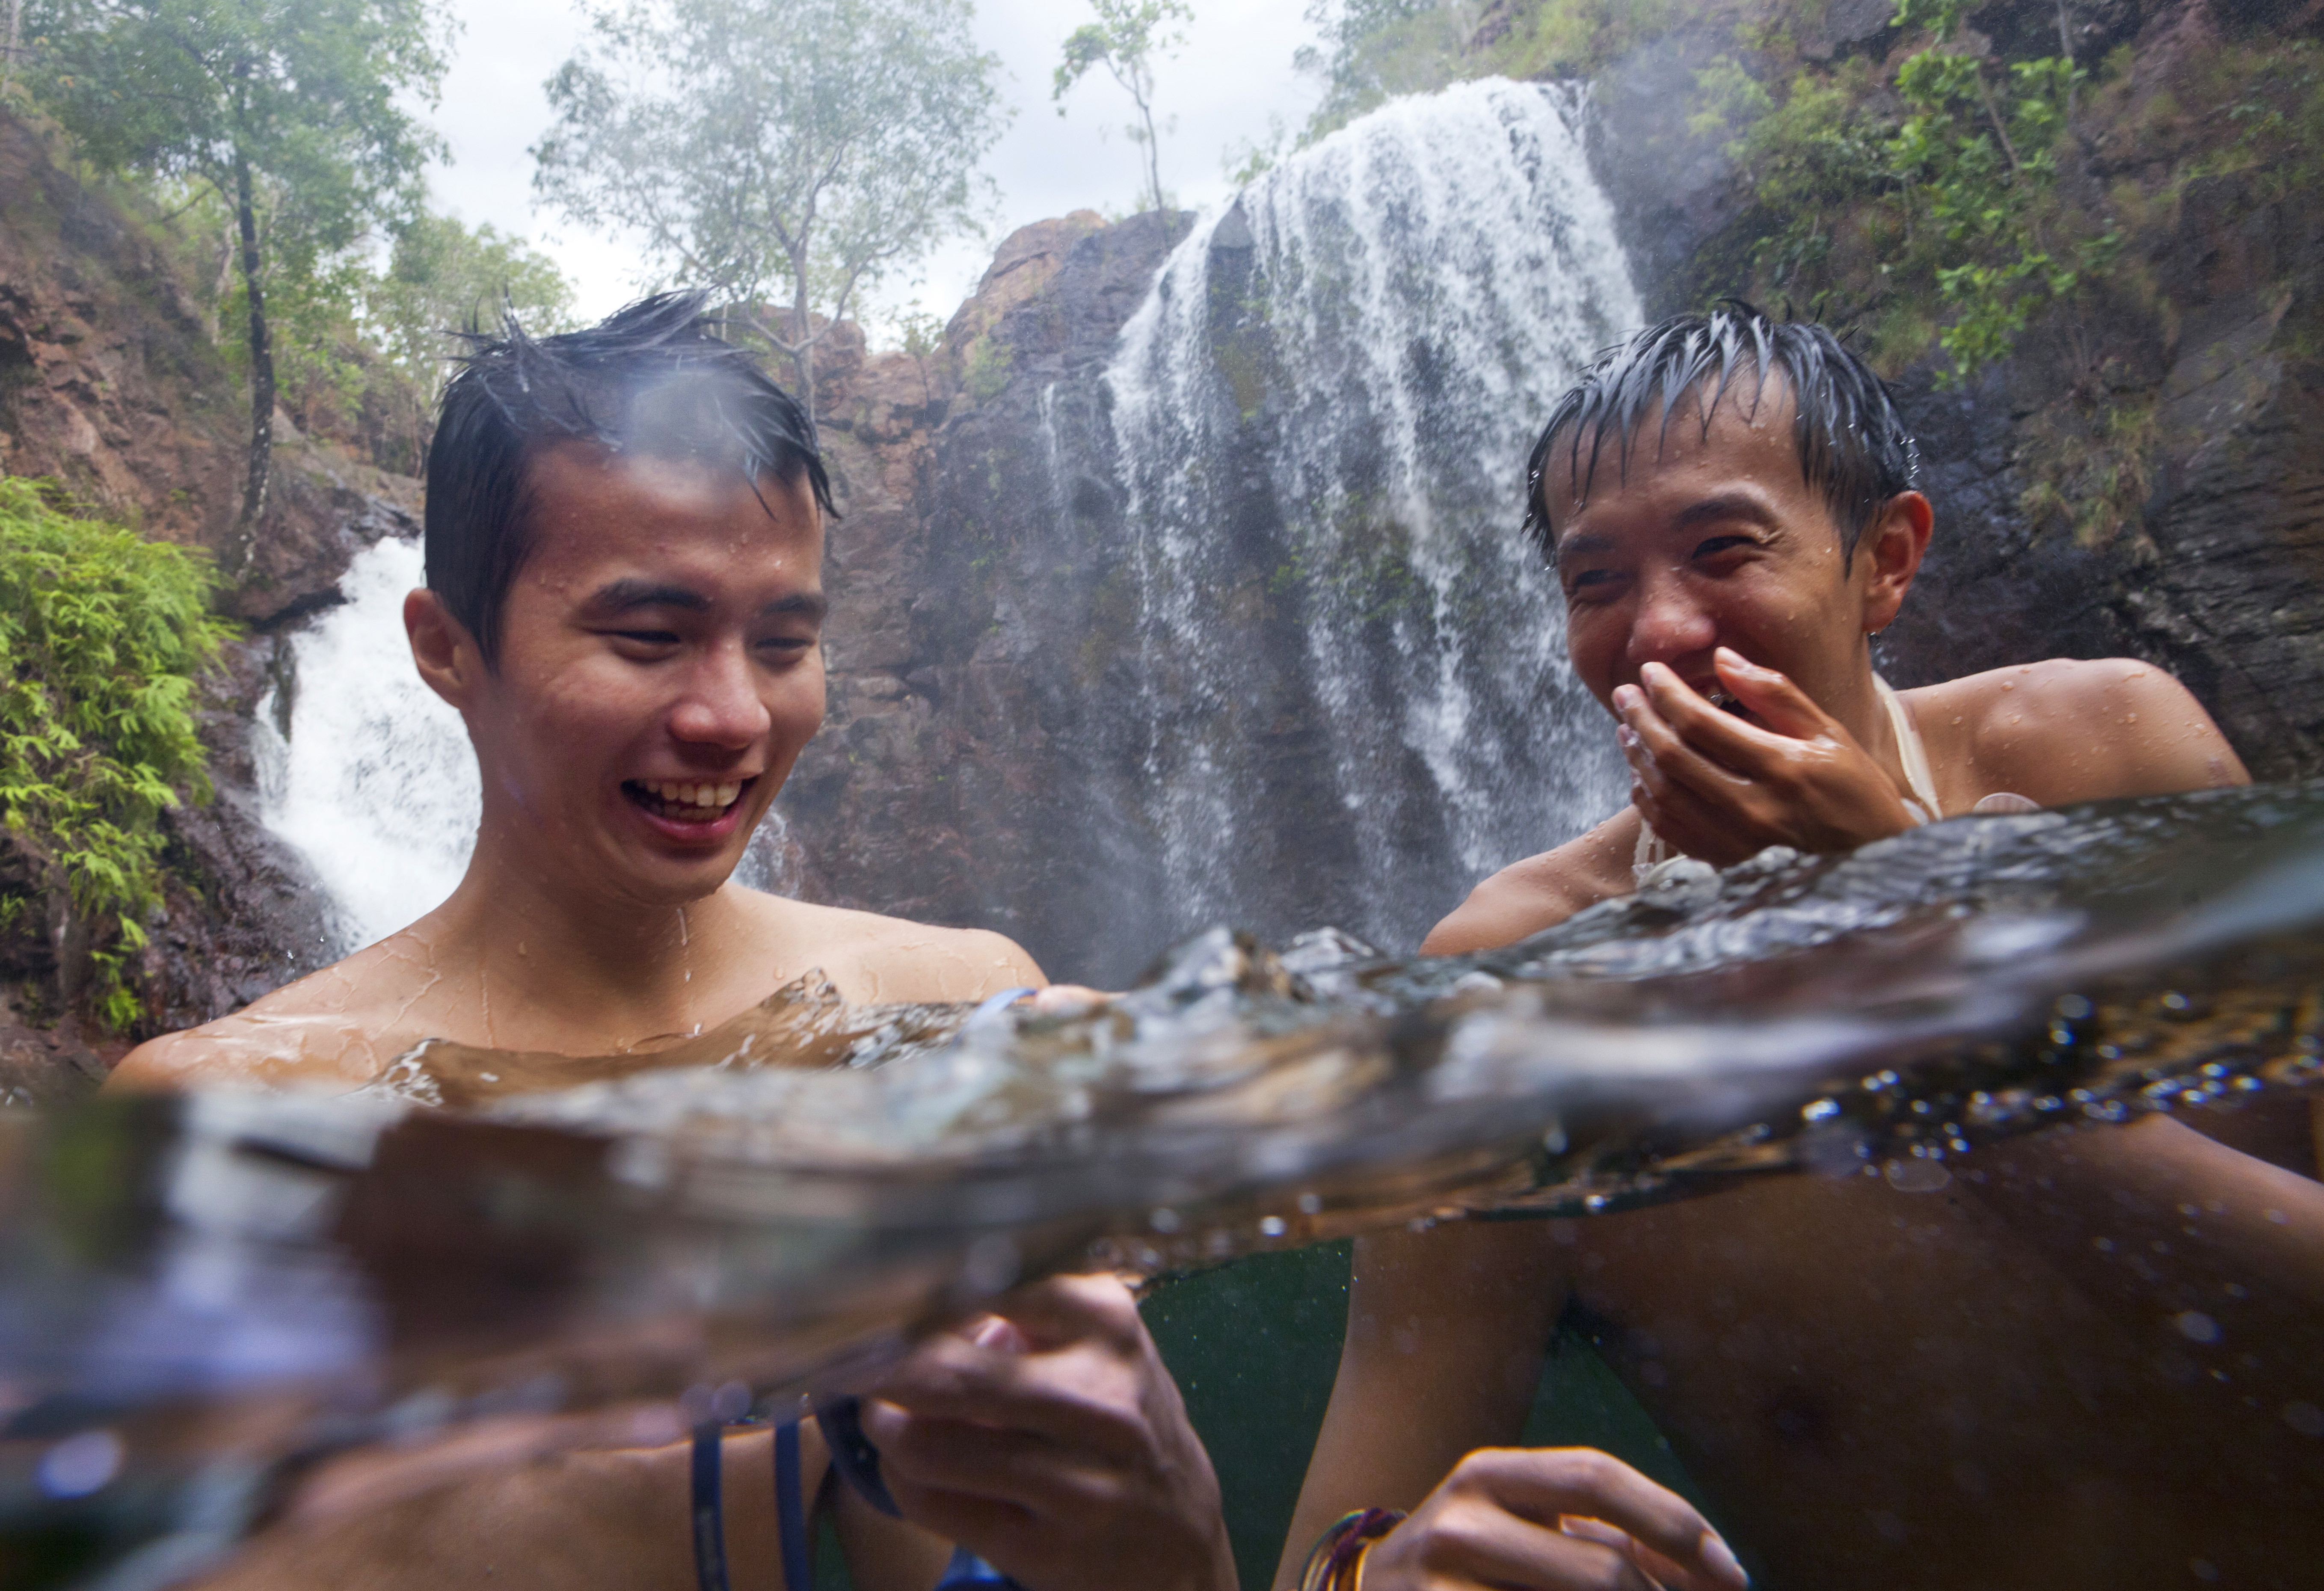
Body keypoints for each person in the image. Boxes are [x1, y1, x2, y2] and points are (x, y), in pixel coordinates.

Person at [108, 296, 1236, 1591]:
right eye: (649, 638)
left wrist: (1163, 1529)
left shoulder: (955, 1014)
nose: (732, 715)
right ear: (444, 648)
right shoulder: (226, 1121)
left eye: (786, 643)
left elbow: (955, 1561)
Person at [1280, 306, 2324, 1590]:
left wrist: (1909, 958)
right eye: (1595, 582)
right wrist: (1380, 1573)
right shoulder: (1518, 987)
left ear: (1884, 559)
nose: (1657, 633)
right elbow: (1337, 1541)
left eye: (1724, 549)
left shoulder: (2107, 761)